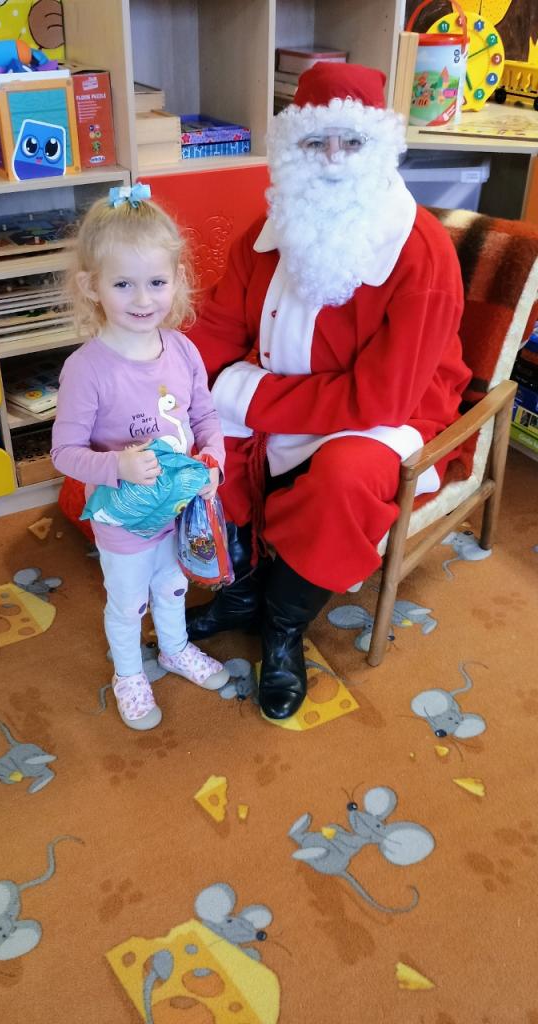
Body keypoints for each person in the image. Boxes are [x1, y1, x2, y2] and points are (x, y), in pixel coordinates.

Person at [186, 62, 472, 722]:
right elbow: (220, 327)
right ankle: (243, 592)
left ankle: (283, 626)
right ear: (293, 149)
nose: (335, 158)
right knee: (200, 438)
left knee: (342, 481)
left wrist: (245, 395)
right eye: (316, 142)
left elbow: (384, 398)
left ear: (381, 147)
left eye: (353, 141)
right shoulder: (270, 230)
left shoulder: (422, 252)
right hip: (278, 388)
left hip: (389, 415)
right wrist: (178, 383)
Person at [51, 185, 229, 731]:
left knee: (173, 587)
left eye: (156, 282)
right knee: (128, 603)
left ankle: (174, 649)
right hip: (123, 521)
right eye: (123, 283)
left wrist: (213, 461)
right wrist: (117, 467)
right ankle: (128, 674)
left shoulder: (183, 349)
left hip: (178, 512)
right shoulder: (87, 369)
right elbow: (64, 453)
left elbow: (206, 417)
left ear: (177, 279)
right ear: (92, 286)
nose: (143, 299)